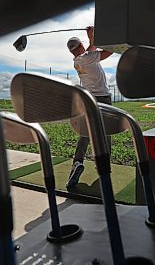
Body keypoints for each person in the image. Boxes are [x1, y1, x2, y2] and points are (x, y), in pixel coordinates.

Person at [66, 25, 113, 188]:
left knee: (85, 133)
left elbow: (90, 50)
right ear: (80, 46)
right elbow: (109, 52)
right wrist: (104, 37)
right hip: (103, 99)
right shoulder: (87, 57)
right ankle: (104, 165)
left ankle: (77, 163)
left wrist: (92, 37)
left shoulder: (77, 61)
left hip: (89, 100)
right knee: (107, 133)